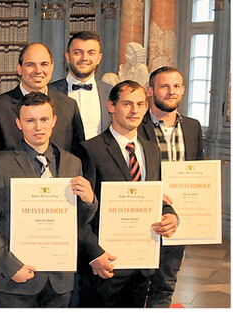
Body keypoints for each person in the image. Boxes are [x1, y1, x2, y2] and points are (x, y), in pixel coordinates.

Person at [0, 92, 97, 307]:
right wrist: (11, 266)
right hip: (14, 281)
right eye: (30, 121)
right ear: (19, 123)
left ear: (54, 121)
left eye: (43, 119)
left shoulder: (72, 163)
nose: (38, 127)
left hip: (59, 280)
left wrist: (89, 201)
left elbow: (77, 222)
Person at [75, 80, 179, 307]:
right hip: (104, 264)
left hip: (141, 262)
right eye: (127, 104)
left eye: (141, 104)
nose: (135, 110)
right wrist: (93, 254)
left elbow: (157, 194)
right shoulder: (90, 150)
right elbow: (79, 211)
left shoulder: (151, 150)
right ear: (111, 106)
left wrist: (170, 215)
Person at [139, 67, 205, 308]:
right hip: (144, 214)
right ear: (151, 90)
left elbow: (197, 168)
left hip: (178, 216)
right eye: (164, 86)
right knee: (136, 284)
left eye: (176, 86)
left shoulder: (192, 126)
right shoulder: (137, 124)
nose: (171, 91)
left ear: (183, 90)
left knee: (166, 283)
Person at [0, 43, 84, 157]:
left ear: (52, 67)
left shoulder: (68, 106)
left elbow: (79, 156)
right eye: (30, 65)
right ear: (19, 68)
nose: (38, 70)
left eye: (44, 64)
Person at [50, 31, 113, 141]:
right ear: (68, 57)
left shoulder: (111, 93)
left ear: (99, 58)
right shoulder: (49, 92)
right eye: (78, 53)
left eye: (91, 53)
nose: (84, 58)